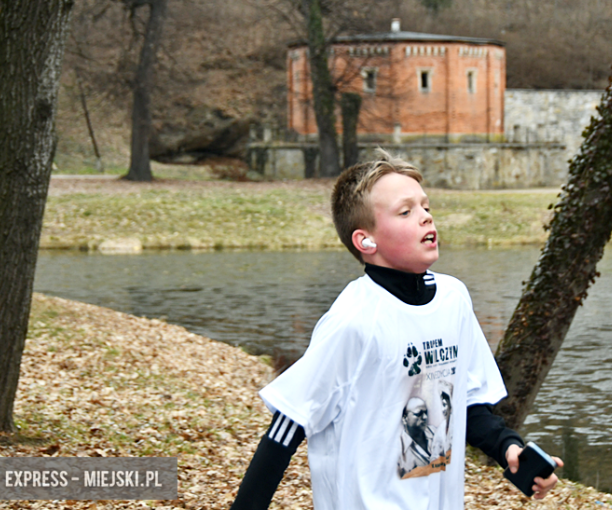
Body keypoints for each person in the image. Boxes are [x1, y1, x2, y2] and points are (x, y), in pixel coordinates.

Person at [230, 149, 562, 510]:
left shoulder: (453, 300)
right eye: (406, 211)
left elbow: (465, 401)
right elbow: (287, 428)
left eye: (426, 206)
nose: (425, 217)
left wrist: (508, 447)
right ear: (365, 241)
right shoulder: (354, 321)